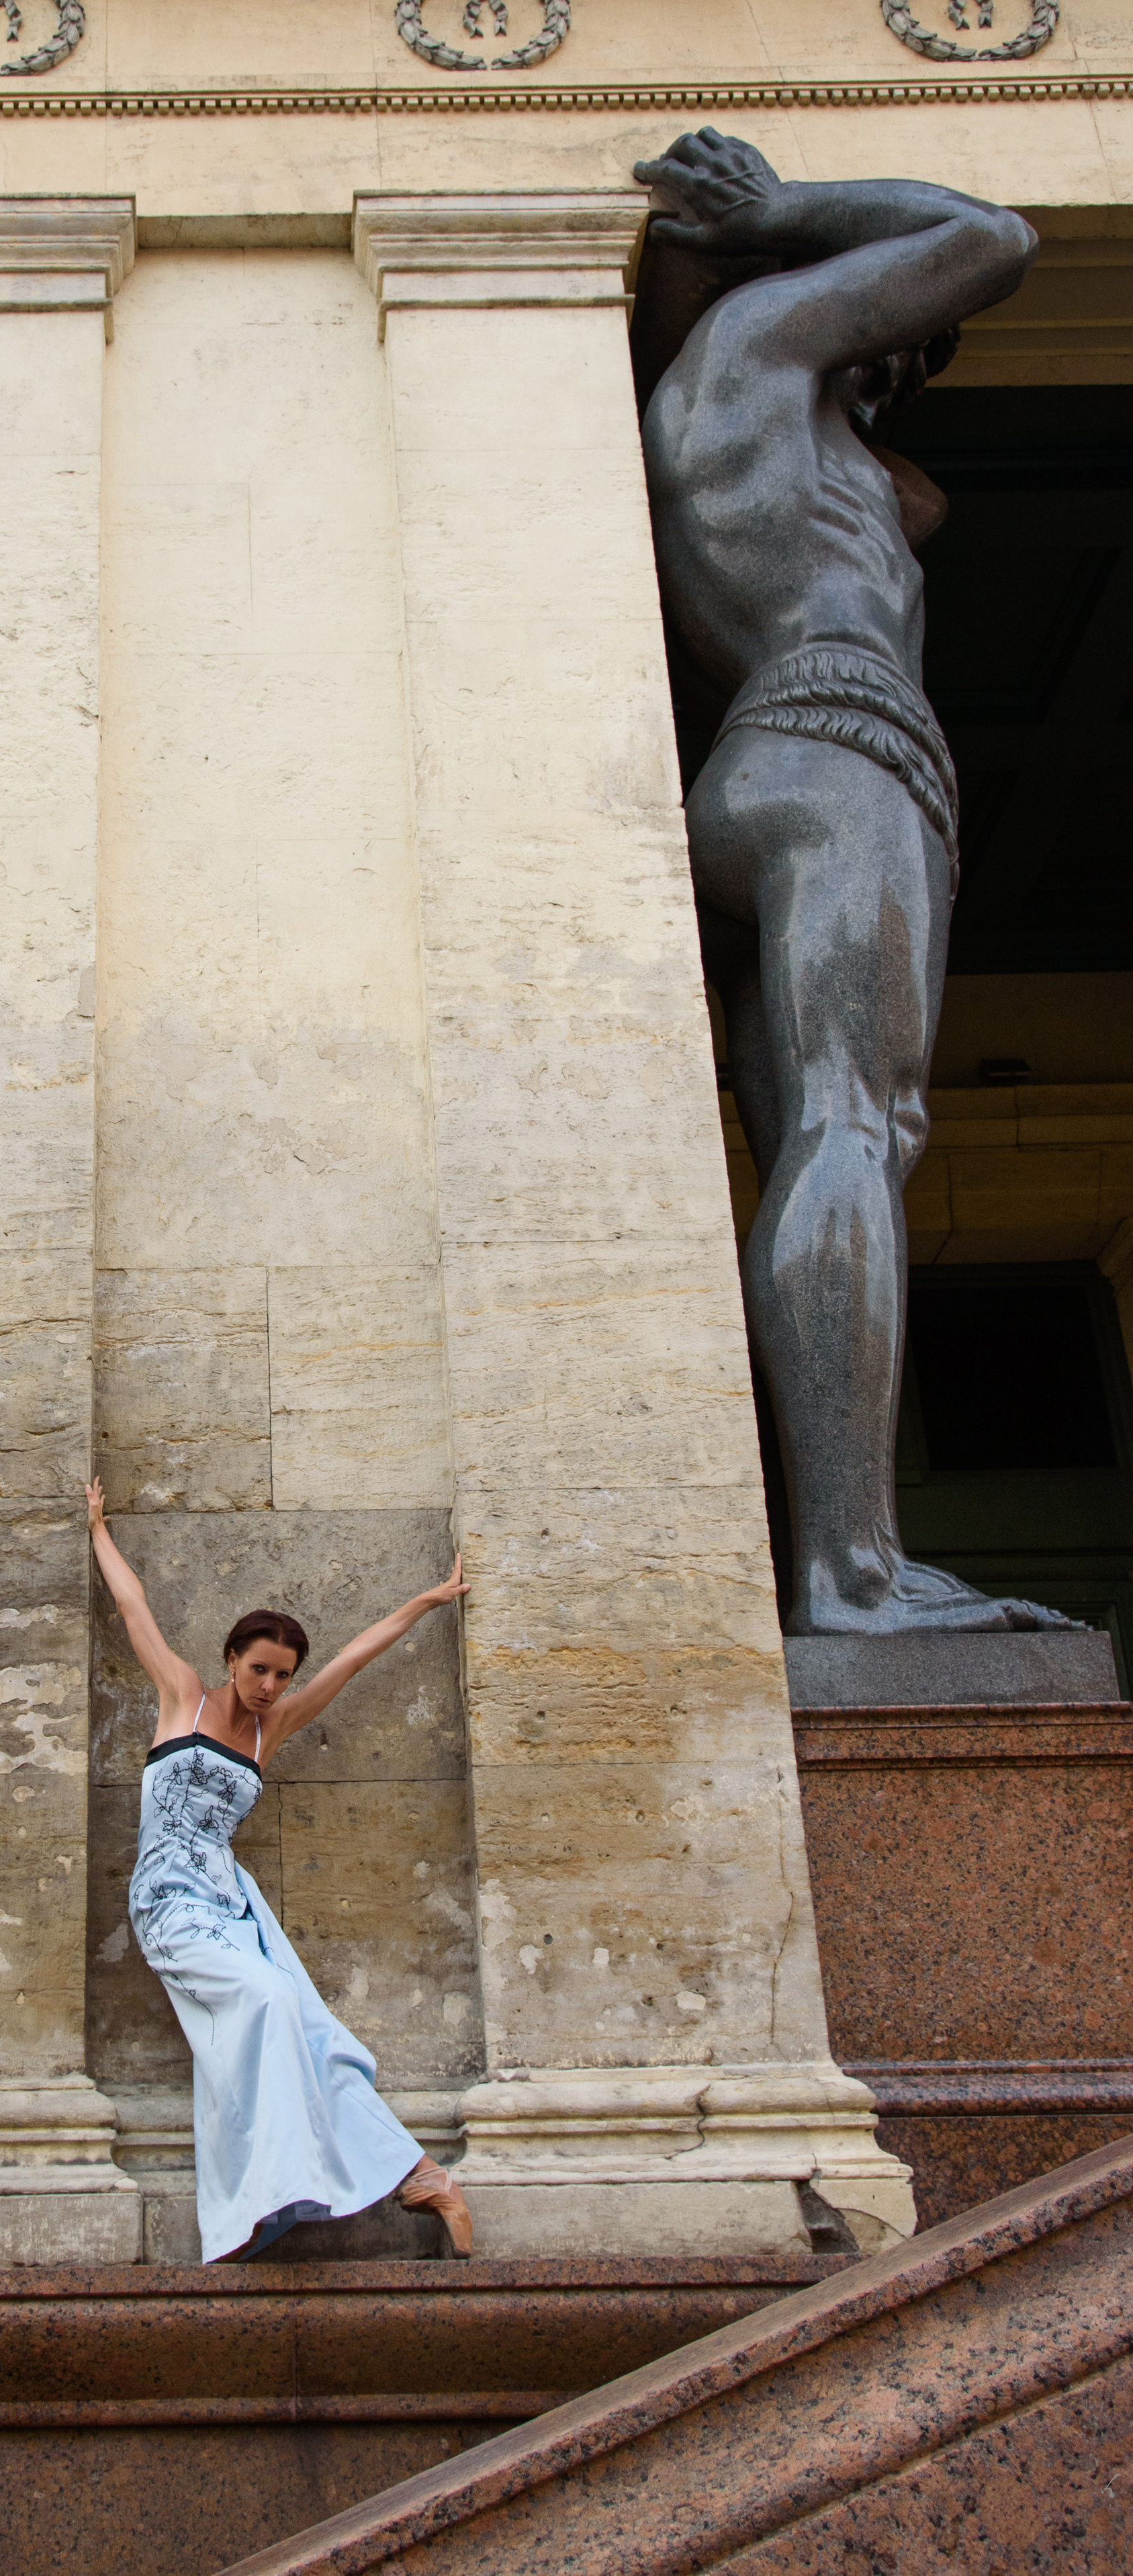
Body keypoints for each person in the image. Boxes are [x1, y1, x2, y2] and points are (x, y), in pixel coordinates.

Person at [635, 129, 1069, 1637]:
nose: (903, 357)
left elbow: (917, 497)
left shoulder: (802, 439)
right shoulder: (753, 347)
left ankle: (828, 1549)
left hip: (798, 757)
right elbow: (991, 235)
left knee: (826, 1137)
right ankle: (851, 1572)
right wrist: (787, 213)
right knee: (858, 1125)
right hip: (836, 754)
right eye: (888, 329)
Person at [87, 1479, 474, 2262]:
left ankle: (419, 2175)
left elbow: (356, 1657)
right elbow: (133, 1608)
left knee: (306, 2023)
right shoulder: (182, 1698)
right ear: (231, 1659)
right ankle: (268, 2195)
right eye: (259, 1669)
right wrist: (97, 1528)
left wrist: (426, 1602)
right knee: (265, 2001)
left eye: (283, 1675)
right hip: (168, 1901)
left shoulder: (275, 1728)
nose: (269, 1687)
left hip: (232, 1902)